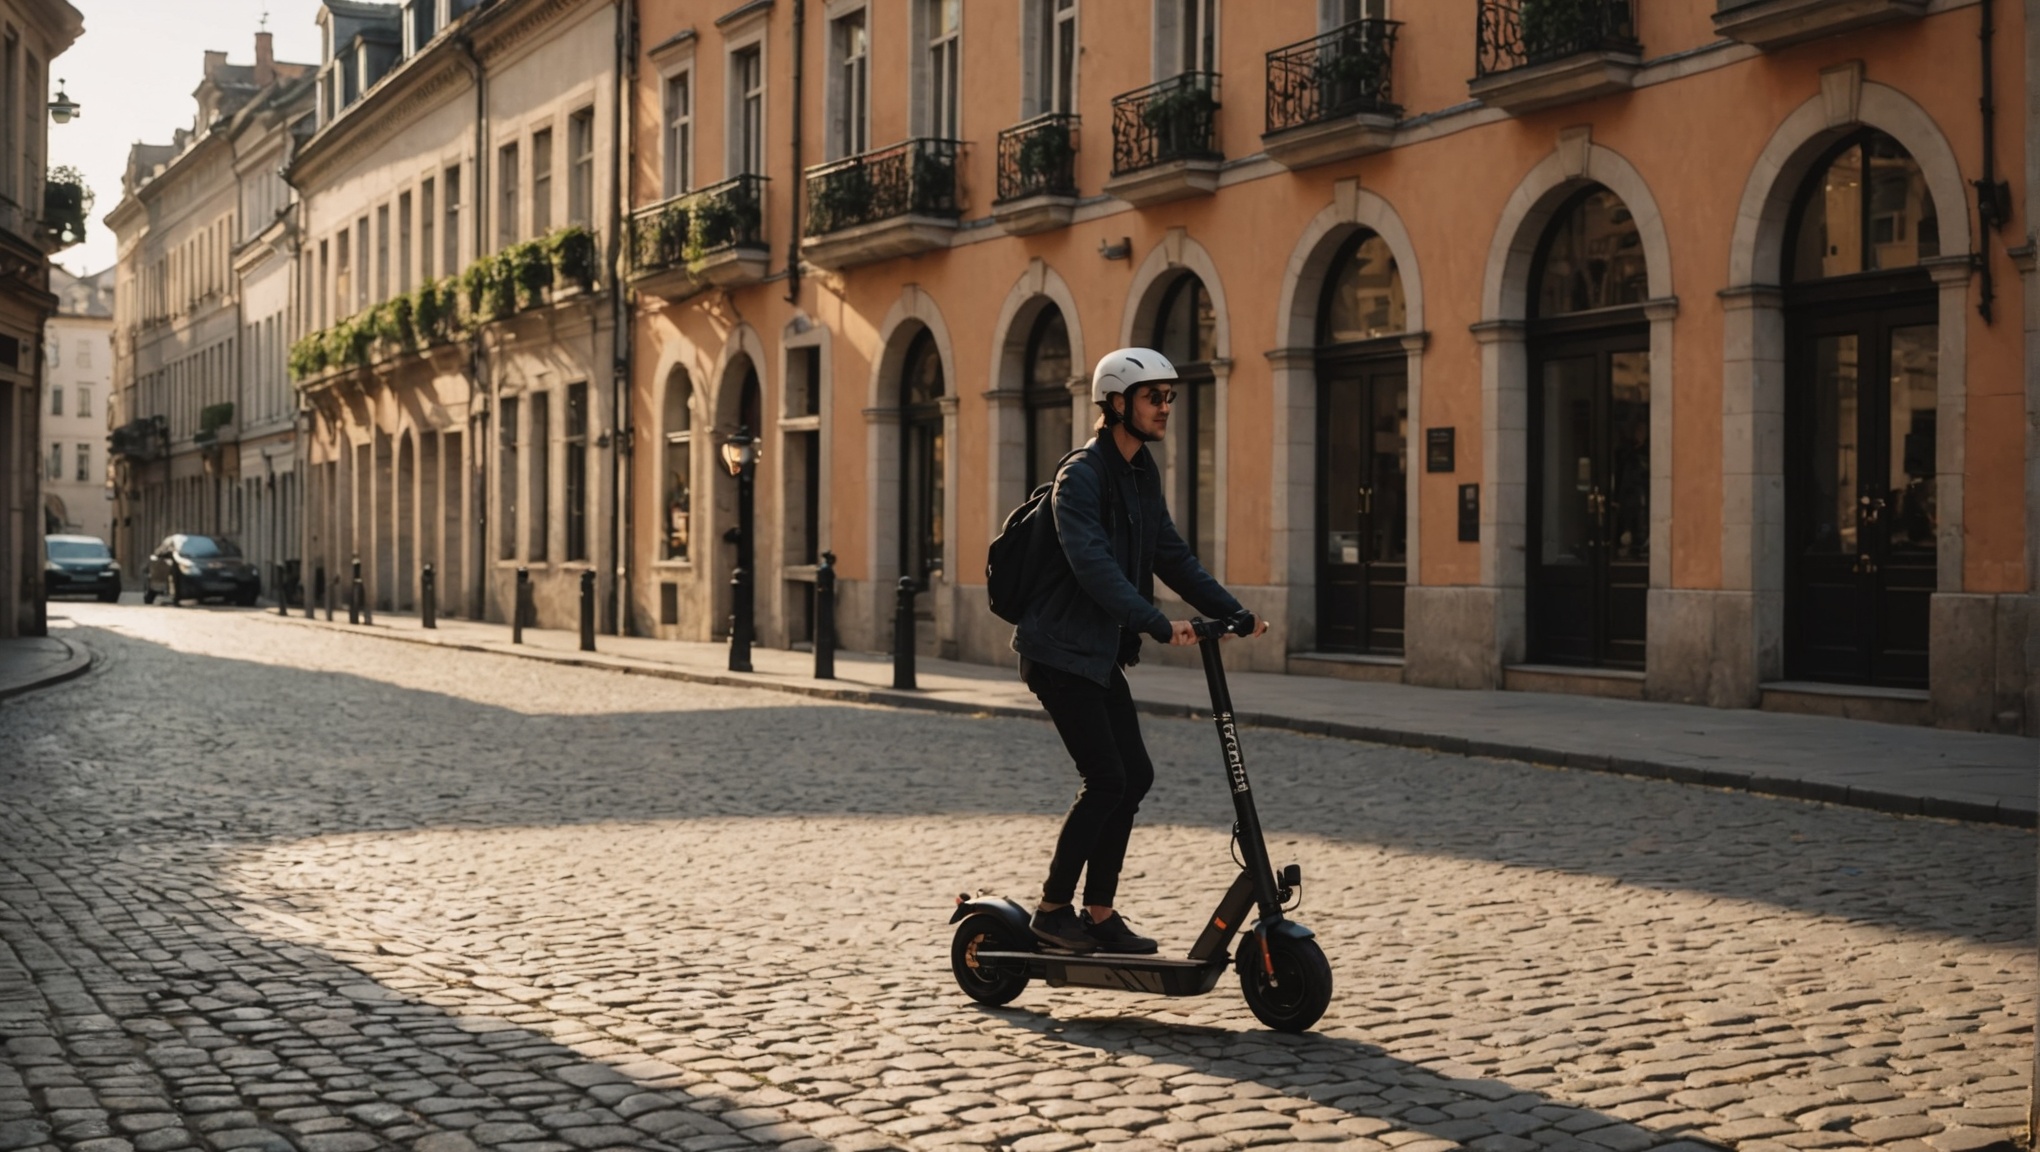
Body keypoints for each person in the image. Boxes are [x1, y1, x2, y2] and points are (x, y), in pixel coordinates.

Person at [1011, 347, 1266, 955]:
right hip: (1058, 651)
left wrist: (1233, 611)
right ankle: (1052, 910)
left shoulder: (1141, 474)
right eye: (1156, 397)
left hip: (1096, 654)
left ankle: (1099, 913)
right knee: (1106, 777)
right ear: (1118, 403)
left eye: (1170, 397)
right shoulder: (1082, 476)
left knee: (1135, 775)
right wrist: (1156, 623)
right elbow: (1092, 565)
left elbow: (1170, 555)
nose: (1166, 407)